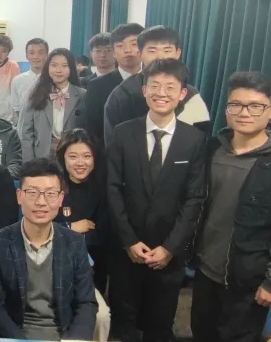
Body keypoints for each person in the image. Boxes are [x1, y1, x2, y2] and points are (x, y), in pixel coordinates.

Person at [106, 59, 207, 342]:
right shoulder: (123, 132)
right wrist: (129, 240)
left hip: (169, 253)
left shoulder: (194, 140)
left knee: (160, 324)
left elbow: (194, 198)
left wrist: (170, 248)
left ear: (182, 93)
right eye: (155, 85)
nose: (161, 93)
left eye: (170, 87)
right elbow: (112, 188)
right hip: (126, 248)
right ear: (144, 90)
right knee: (123, 322)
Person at [191, 71, 271, 342]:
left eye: (255, 106)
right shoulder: (212, 149)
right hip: (205, 269)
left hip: (249, 280)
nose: (244, 113)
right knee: (202, 333)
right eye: (236, 104)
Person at [0, 158, 100, 341]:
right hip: (14, 336)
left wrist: (75, 338)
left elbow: (86, 302)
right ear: (19, 196)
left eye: (50, 194)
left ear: (60, 199)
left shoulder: (74, 243)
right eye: (32, 193)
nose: (41, 202)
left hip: (63, 334)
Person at [104, 25, 211, 146]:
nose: (160, 57)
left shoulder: (191, 96)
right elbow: (112, 143)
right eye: (152, 51)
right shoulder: (122, 94)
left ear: (178, 53)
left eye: (167, 50)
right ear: (140, 54)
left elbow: (201, 141)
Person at [54, 128, 109, 295]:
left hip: (95, 261)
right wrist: (70, 228)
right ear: (63, 158)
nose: (80, 163)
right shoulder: (52, 187)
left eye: (87, 156)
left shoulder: (104, 188)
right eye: (73, 157)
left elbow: (103, 233)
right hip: (57, 261)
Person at [19, 48, 86, 162]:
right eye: (54, 65)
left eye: (64, 66)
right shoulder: (35, 94)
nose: (58, 70)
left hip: (72, 154)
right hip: (41, 154)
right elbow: (25, 133)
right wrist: (29, 162)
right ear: (47, 68)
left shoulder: (82, 95)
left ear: (71, 68)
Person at [83, 23, 144, 148]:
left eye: (134, 44)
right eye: (120, 46)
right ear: (114, 52)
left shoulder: (155, 83)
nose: (127, 50)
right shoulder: (97, 86)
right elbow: (93, 129)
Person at [11, 38, 49, 128]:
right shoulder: (17, 80)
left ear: (47, 55)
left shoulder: (52, 79)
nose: (36, 57)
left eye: (40, 53)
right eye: (31, 53)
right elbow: (16, 108)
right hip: (24, 128)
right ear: (27, 56)